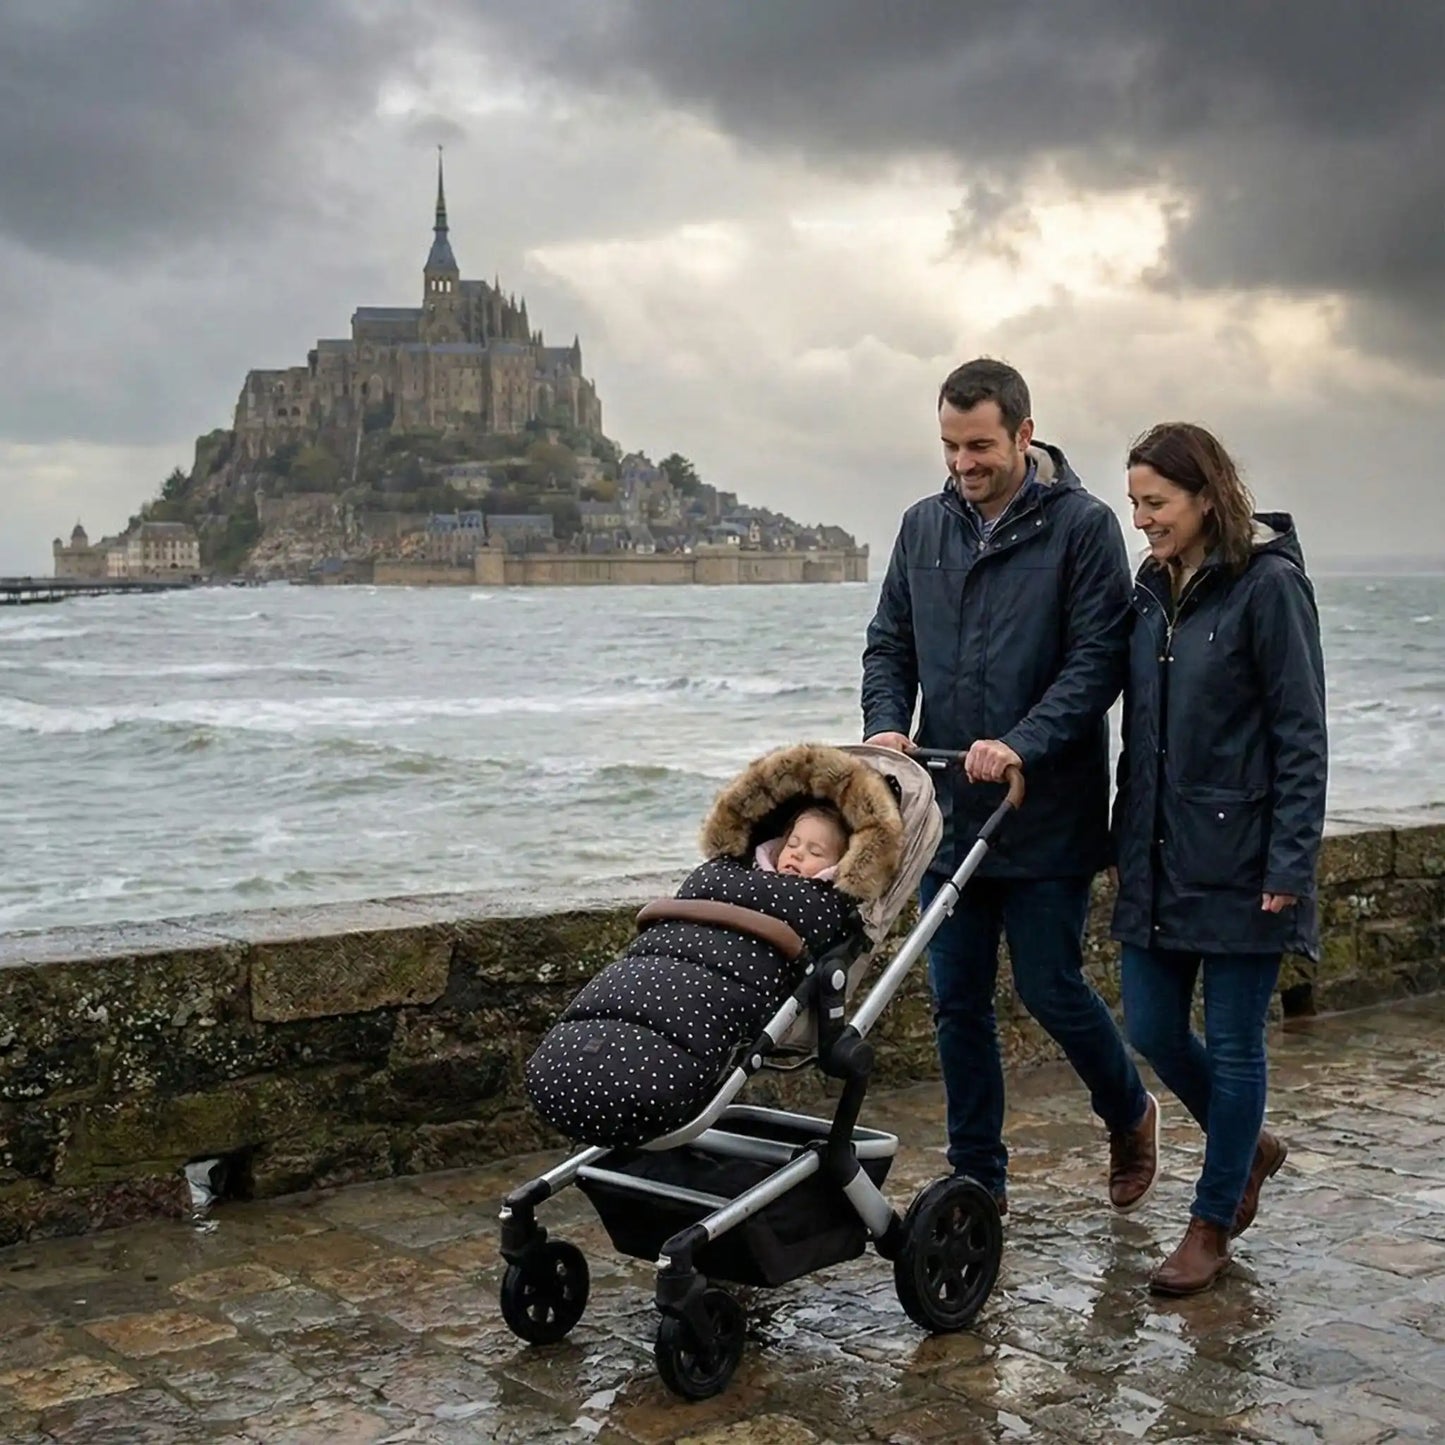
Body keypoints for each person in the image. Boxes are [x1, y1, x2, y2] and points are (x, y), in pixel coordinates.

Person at [862, 357, 1158, 1218]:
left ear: (1024, 434)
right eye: (950, 446)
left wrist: (1021, 743)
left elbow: (1096, 660)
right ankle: (977, 1184)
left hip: (1044, 810)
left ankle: (1127, 1108)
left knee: (1047, 984)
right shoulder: (922, 527)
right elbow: (889, 644)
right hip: (945, 812)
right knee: (955, 1001)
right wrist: (886, 723)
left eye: (980, 444)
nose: (963, 463)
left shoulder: (1084, 527)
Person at [1113, 422, 1326, 1296]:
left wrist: (1288, 863)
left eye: (1154, 503)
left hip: (1245, 858)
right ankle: (1251, 1146)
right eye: (1133, 504)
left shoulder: (1270, 589)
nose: (1142, 521)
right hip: (1157, 852)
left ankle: (1210, 1221)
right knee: (1152, 1027)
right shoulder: (1148, 590)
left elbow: (1300, 735)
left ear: (1206, 497)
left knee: (1236, 1048)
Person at [755, 803, 850, 881]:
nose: (797, 854)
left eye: (815, 852)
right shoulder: (753, 878)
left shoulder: (831, 901)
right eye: (792, 844)